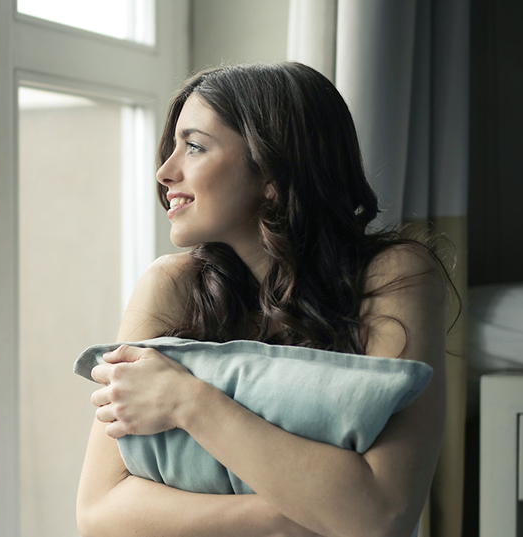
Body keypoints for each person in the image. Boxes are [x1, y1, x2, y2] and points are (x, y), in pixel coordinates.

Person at [75, 62, 460, 537]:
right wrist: (297, 512)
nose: (164, 171)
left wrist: (187, 400)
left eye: (193, 146)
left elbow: (382, 515)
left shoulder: (393, 276)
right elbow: (99, 512)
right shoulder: (170, 285)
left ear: (273, 171)